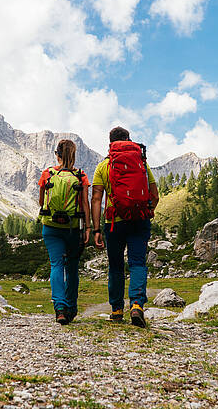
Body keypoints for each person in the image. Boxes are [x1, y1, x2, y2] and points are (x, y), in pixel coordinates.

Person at [91, 127, 159, 327]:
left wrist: (96, 229)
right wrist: (148, 211)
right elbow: (154, 195)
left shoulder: (104, 166)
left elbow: (96, 199)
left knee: (116, 267)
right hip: (139, 220)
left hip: (114, 223)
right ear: (129, 140)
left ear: (110, 143)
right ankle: (137, 305)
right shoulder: (141, 164)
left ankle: (117, 310)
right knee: (138, 263)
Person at [38, 139, 91, 325]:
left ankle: (59, 308)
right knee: (72, 268)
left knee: (56, 265)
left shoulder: (48, 174)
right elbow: (85, 204)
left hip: (51, 227)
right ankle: (71, 308)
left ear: (57, 154)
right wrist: (89, 228)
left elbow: (41, 201)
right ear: (74, 155)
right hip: (73, 228)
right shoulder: (81, 176)